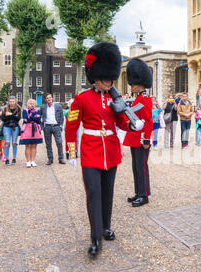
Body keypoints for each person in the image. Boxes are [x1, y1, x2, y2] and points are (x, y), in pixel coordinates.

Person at [65, 42, 131, 258]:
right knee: (93, 193)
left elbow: (121, 122)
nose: (109, 83)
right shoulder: (81, 99)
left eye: (111, 79)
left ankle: (105, 227)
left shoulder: (114, 98)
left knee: (108, 192)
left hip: (111, 151)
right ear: (95, 77)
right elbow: (72, 125)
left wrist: (131, 122)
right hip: (91, 152)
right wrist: (72, 151)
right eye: (106, 79)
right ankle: (95, 237)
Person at [123, 58, 154, 208]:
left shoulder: (146, 99)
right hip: (134, 137)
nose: (132, 86)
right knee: (136, 167)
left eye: (133, 84)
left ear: (140, 84)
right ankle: (138, 192)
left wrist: (146, 140)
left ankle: (144, 195)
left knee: (142, 167)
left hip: (141, 139)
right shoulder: (138, 99)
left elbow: (148, 121)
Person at [41, 93, 65, 165]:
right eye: (47, 98)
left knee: (59, 142)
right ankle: (50, 159)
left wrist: (60, 125)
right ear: (45, 99)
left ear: (52, 98)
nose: (49, 99)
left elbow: (61, 116)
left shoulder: (58, 106)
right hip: (47, 127)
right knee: (48, 144)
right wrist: (42, 126)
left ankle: (61, 159)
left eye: (50, 97)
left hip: (56, 126)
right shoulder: (43, 107)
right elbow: (40, 116)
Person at [19, 99, 43, 167]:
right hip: (27, 129)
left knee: (34, 145)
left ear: (35, 104)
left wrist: (32, 118)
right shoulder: (25, 110)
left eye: (33, 103)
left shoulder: (38, 110)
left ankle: (33, 160)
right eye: (30, 103)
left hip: (35, 128)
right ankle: (28, 161)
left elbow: (38, 120)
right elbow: (26, 120)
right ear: (27, 104)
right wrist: (34, 116)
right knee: (28, 145)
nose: (32, 104)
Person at [0, 96, 21, 166]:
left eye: (13, 101)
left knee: (14, 143)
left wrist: (11, 114)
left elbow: (18, 118)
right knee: (7, 143)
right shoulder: (5, 108)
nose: (12, 103)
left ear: (15, 101)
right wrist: (6, 115)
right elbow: (2, 118)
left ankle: (14, 158)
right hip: (6, 127)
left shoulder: (18, 108)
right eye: (10, 101)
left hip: (15, 127)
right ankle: (7, 159)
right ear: (8, 102)